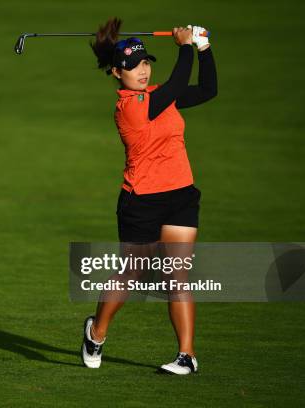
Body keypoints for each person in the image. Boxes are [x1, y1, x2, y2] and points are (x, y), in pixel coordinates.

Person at [81, 19, 217, 375]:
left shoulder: (160, 96)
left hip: (181, 195)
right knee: (133, 275)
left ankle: (186, 356)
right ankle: (97, 332)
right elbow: (174, 86)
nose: (142, 70)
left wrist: (203, 49)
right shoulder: (130, 107)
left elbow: (207, 90)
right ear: (116, 72)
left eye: (144, 62)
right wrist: (184, 45)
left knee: (177, 278)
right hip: (141, 201)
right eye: (131, 66)